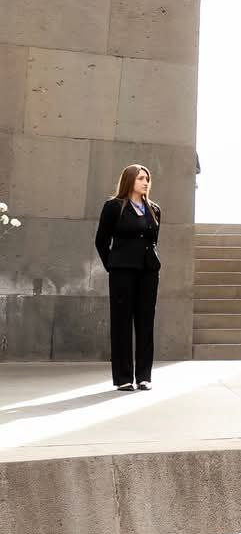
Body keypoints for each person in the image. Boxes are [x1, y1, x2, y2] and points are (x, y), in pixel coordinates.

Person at [94, 164, 162, 391]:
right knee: (122, 323)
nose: (145, 182)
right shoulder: (114, 207)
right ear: (130, 180)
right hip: (122, 272)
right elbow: (101, 241)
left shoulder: (154, 209)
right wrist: (112, 266)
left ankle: (144, 376)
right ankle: (123, 378)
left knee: (145, 323)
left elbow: (153, 241)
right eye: (141, 178)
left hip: (148, 272)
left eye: (147, 178)